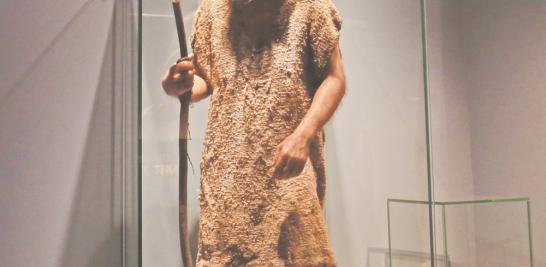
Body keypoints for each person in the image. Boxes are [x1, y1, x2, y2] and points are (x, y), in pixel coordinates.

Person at [161, 0, 346, 265]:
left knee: (297, 255)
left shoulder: (309, 8)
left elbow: (334, 78)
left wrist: (302, 136)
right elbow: (206, 76)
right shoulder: (213, 11)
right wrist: (180, 84)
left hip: (287, 170)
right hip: (228, 178)